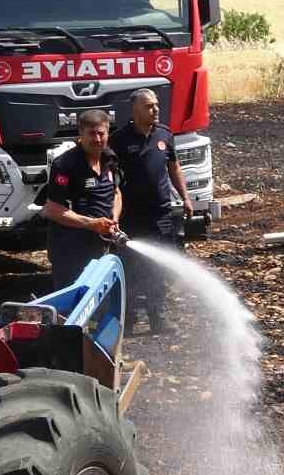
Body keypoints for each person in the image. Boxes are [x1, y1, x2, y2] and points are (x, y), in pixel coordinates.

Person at [110, 88, 192, 334]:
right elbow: (111, 180)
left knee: (158, 267)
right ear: (134, 110)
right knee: (131, 269)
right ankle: (130, 320)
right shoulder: (119, 140)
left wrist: (185, 197)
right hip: (132, 217)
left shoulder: (165, 135)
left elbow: (174, 168)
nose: (155, 110)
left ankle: (159, 319)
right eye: (149, 106)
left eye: (156, 105)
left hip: (161, 215)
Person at [43, 109, 122, 290]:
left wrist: (114, 220)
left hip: (100, 247)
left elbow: (116, 193)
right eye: (91, 134)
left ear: (108, 132)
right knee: (71, 304)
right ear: (81, 134)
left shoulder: (110, 158)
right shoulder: (65, 164)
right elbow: (52, 209)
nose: (97, 139)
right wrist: (92, 224)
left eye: (101, 133)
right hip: (69, 250)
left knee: (100, 302)